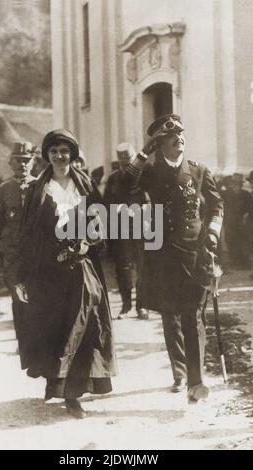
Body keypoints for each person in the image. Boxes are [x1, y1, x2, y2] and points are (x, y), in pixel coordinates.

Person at [13, 129, 117, 419]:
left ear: (73, 155)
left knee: (83, 325)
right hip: (47, 270)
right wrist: (21, 276)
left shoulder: (85, 186)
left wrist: (88, 241)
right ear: (47, 156)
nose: (60, 156)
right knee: (53, 327)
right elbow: (27, 234)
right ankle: (55, 382)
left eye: (65, 151)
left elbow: (102, 221)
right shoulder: (37, 190)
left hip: (81, 266)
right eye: (54, 151)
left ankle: (73, 394)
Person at [124, 114, 223, 402]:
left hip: (195, 254)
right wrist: (144, 151)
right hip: (162, 255)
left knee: (192, 315)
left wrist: (213, 234)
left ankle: (196, 380)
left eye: (181, 133)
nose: (178, 137)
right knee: (171, 317)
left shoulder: (198, 170)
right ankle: (179, 372)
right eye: (170, 135)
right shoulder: (150, 171)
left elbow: (217, 205)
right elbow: (124, 184)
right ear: (159, 143)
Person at [0, 141, 36, 343]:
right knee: (18, 296)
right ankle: (23, 339)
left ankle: (37, 338)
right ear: (10, 163)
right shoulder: (4, 189)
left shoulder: (40, 186)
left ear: (32, 163)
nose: (22, 165)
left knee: (36, 294)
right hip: (13, 254)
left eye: (26, 161)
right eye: (18, 161)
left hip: (35, 253)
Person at [103, 142, 150, 320]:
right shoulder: (113, 179)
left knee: (142, 267)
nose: (126, 163)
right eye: (122, 160)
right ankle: (126, 305)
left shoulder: (143, 176)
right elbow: (106, 204)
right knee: (122, 269)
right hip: (120, 229)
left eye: (129, 159)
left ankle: (142, 306)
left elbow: (149, 201)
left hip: (140, 227)